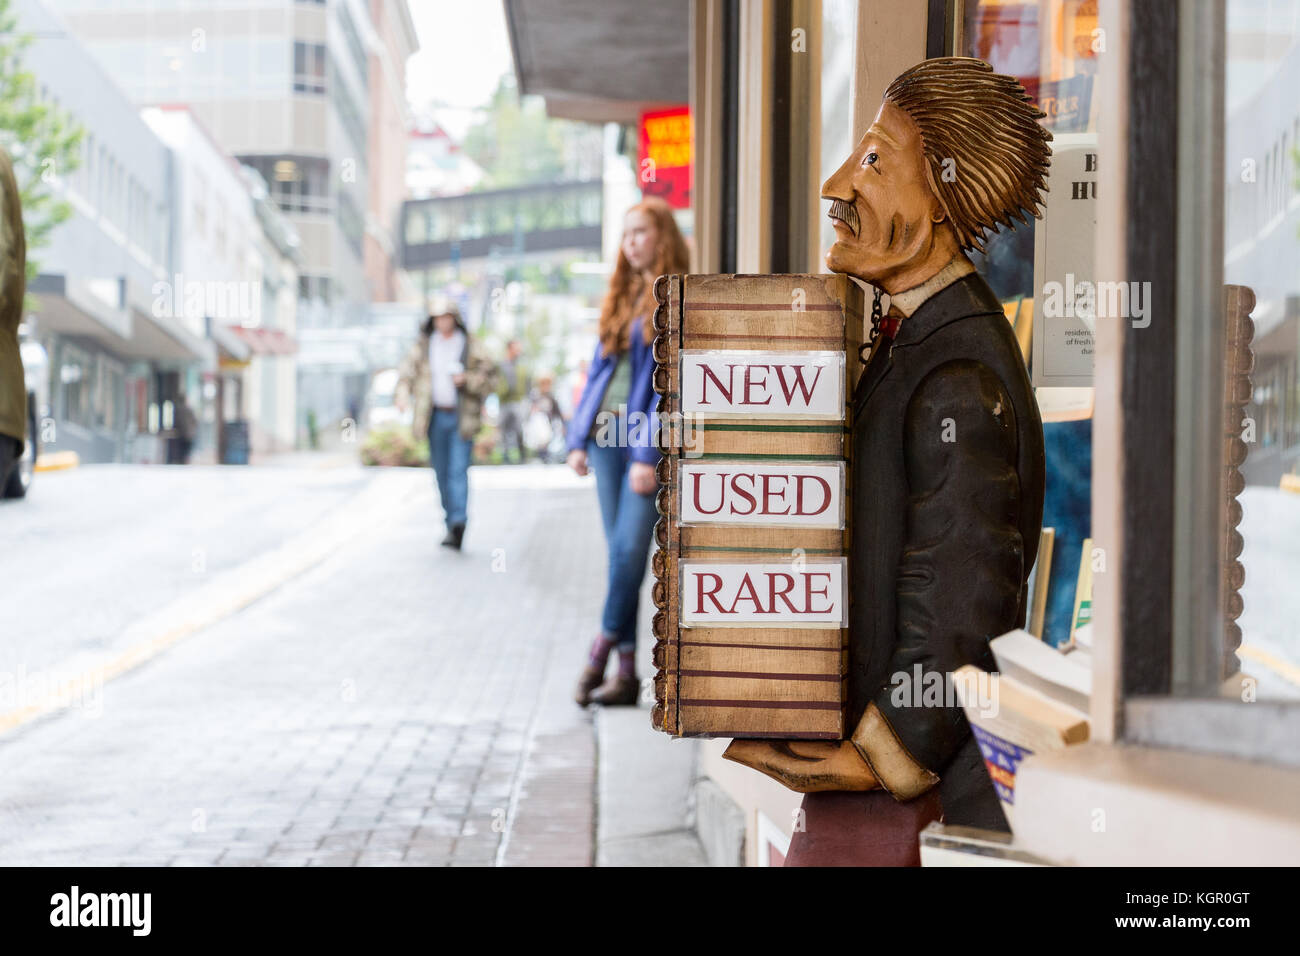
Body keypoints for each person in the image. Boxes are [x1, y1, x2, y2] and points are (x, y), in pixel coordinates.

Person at [724, 58, 1048, 859]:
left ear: (941, 194)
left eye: (872, 160)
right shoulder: (924, 346)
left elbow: (962, 596)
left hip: (905, 808)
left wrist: (877, 755)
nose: (837, 186)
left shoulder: (956, 373)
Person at [568, 197, 689, 707]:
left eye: (640, 232)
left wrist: (645, 453)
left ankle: (599, 652)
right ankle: (626, 675)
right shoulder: (620, 296)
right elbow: (599, 375)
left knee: (627, 553)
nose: (630, 242)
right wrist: (576, 440)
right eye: (625, 234)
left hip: (639, 442)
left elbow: (668, 387)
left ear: (662, 237)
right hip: (603, 441)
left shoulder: (675, 296)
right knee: (622, 560)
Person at [396, 298, 498, 551]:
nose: (443, 322)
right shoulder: (424, 346)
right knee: (441, 472)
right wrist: (401, 393)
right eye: (438, 318)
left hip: (462, 417)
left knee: (458, 470)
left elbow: (491, 378)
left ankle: (458, 522)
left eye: (447, 317)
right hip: (434, 417)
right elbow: (406, 374)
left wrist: (468, 380)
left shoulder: (471, 345)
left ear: (454, 318)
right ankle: (449, 520)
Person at [496, 339, 530, 464]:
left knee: (519, 428)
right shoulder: (501, 365)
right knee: (503, 429)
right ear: (509, 349)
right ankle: (505, 455)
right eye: (516, 348)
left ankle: (522, 455)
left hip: (518, 401)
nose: (519, 351)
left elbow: (527, 384)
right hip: (504, 401)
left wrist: (528, 401)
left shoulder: (521, 367)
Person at [526, 372, 566, 463]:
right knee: (541, 438)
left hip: (550, 422)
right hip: (538, 423)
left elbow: (557, 411)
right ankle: (541, 455)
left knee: (548, 439)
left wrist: (563, 425)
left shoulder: (551, 396)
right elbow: (530, 409)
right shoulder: (535, 395)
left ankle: (547, 456)